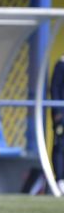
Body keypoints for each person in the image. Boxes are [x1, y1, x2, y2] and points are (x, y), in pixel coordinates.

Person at [50, 56, 64, 192]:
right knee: (60, 145)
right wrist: (58, 112)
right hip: (62, 114)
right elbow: (55, 88)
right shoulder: (61, 64)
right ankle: (60, 179)